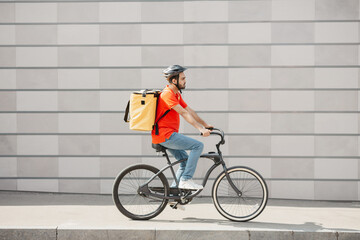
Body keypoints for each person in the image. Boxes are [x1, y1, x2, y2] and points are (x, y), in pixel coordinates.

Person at [151, 65, 213, 190]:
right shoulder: (167, 94)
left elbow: (189, 110)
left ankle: (174, 193)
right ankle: (185, 180)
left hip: (168, 135)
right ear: (174, 80)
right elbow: (184, 113)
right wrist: (200, 129)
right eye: (183, 78)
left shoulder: (176, 94)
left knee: (184, 162)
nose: (185, 81)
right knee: (198, 146)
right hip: (165, 135)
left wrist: (205, 125)